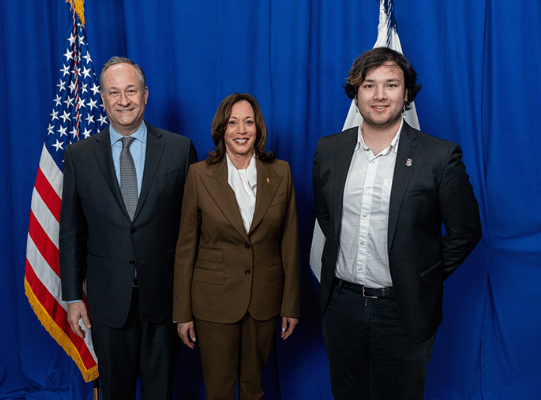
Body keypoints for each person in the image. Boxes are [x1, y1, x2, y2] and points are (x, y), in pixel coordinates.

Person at [313, 47, 482, 400]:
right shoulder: (328, 150)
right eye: (369, 85)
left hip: (403, 310)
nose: (379, 95)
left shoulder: (439, 155)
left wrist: (420, 274)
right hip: (341, 307)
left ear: (406, 93)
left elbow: (465, 231)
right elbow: (327, 218)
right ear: (355, 93)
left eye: (391, 85)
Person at [59, 56, 197, 400]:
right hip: (107, 301)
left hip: (164, 300)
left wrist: (190, 297)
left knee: (159, 392)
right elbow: (72, 231)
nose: (124, 100)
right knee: (116, 392)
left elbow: (193, 231)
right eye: (114, 92)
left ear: (146, 94)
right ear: (103, 98)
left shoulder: (180, 150)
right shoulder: (78, 156)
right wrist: (74, 296)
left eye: (131, 90)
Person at [173, 93, 300, 400]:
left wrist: (290, 305)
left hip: (264, 301)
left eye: (248, 122)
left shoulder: (280, 172)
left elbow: (290, 242)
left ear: (258, 129)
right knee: (218, 390)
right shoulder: (199, 175)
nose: (241, 130)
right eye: (233, 122)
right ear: (221, 129)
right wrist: (182, 312)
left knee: (254, 387)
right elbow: (186, 247)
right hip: (212, 303)